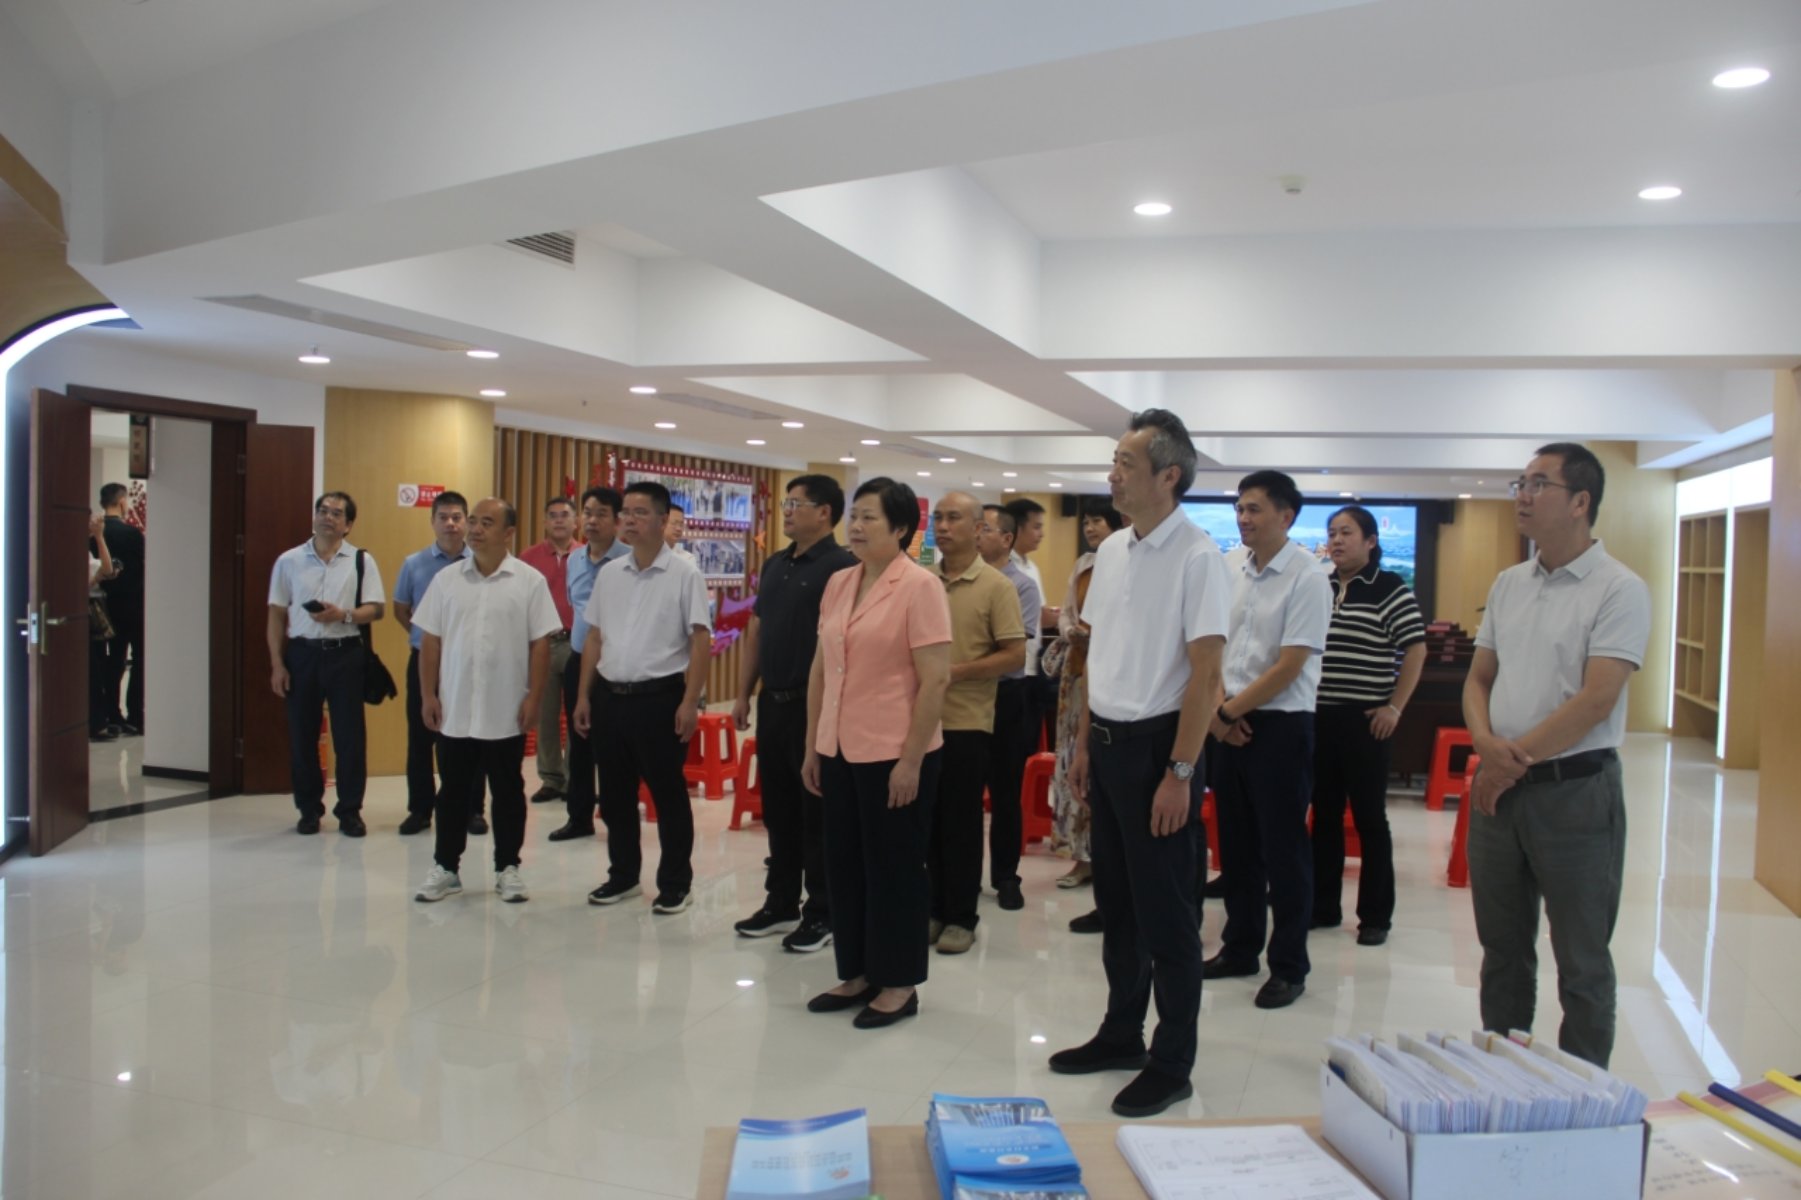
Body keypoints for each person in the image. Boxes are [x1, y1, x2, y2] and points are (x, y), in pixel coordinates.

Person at [1048, 409, 1229, 1120]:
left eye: (1125, 463)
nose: (1112, 474)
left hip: (1161, 750)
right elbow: (1102, 651)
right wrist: (1085, 743)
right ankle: (1120, 1031)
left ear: (1168, 475)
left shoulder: (1198, 557)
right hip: (1109, 742)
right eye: (1114, 462)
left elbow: (1206, 676)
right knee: (1118, 907)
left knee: (1168, 916)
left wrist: (1180, 773)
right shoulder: (1115, 551)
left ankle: (1172, 1060)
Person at [1464, 443, 1649, 1069]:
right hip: (1500, 792)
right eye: (1521, 482)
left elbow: (1597, 699)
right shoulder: (1509, 583)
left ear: (1579, 502)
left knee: (1583, 960)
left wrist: (1505, 763)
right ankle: (1505, 1077)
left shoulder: (1619, 588)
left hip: (1576, 793)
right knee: (1503, 952)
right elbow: (1479, 679)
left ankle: (1581, 1093)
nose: (1522, 494)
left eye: (1538, 484)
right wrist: (1485, 746)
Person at [802, 477, 951, 1028]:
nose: (857, 527)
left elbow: (935, 680)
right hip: (839, 746)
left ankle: (899, 982)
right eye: (855, 516)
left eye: (870, 518)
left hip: (895, 752)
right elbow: (823, 668)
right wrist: (814, 745)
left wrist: (911, 761)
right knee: (843, 864)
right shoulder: (840, 582)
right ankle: (859, 971)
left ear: (902, 528)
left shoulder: (920, 587)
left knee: (894, 868)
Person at [1205, 470, 1332, 1011]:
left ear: (1286, 516)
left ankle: (1289, 966)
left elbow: (1291, 663)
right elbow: (1211, 645)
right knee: (1235, 847)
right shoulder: (1229, 566)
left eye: (1254, 509)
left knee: (1284, 851)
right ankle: (1240, 948)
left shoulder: (1308, 576)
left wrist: (1227, 712)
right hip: (1226, 719)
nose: (1244, 518)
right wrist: (1218, 714)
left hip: (1280, 725)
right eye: (1240, 508)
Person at [411, 498, 562, 904]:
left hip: (505, 706)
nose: (475, 530)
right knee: (452, 791)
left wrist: (534, 697)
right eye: (473, 522)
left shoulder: (529, 581)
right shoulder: (446, 580)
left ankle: (507, 867)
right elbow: (430, 640)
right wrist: (428, 694)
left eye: (486, 523)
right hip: (456, 706)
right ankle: (446, 867)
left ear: (508, 532)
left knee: (508, 790)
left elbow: (540, 644)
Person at [574, 481, 713, 914]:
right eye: (626, 514)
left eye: (639, 513)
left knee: (668, 796)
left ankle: (676, 882)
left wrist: (690, 702)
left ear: (662, 518)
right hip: (610, 698)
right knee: (615, 796)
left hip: (660, 699)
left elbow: (700, 639)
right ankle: (623, 875)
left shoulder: (684, 573)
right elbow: (594, 637)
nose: (628, 521)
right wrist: (584, 696)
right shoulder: (610, 574)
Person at [732, 475, 857, 950]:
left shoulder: (842, 567)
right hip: (774, 701)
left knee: (815, 810)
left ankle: (822, 911)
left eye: (795, 503)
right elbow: (757, 630)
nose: (786, 510)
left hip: (816, 704)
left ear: (824, 512)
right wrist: (743, 693)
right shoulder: (776, 564)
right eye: (785, 502)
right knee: (779, 808)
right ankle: (780, 901)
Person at [1310, 505, 1426, 945]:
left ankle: (1375, 917)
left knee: (1369, 818)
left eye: (1347, 533)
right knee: (1323, 815)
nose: (1336, 541)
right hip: (1319, 719)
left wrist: (1394, 707)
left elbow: (1415, 649)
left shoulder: (1388, 587)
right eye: (1332, 533)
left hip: (1365, 722)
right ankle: (1322, 906)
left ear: (1371, 541)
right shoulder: (1320, 586)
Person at [928, 491, 1026, 954]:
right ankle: (933, 908)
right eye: (938, 518)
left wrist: (957, 672)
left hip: (967, 721)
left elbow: (1015, 655)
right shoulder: (922, 581)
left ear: (978, 529)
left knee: (960, 822)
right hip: (919, 721)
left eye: (953, 518)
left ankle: (961, 917)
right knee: (926, 821)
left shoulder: (996, 586)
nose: (943, 527)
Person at [266, 492, 385, 836]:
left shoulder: (361, 561)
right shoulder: (289, 560)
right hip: (302, 655)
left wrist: (342, 615)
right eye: (323, 510)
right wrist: (277, 664)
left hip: (345, 654)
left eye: (336, 513)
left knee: (350, 738)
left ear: (348, 525)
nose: (328, 517)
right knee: (302, 735)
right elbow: (276, 613)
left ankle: (350, 811)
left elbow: (376, 609)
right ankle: (308, 809)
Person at [1049, 499, 1126, 932]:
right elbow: (1066, 613)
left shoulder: (1125, 563)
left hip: (1112, 679)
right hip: (1079, 672)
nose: (1090, 528)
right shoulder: (1083, 564)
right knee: (1072, 766)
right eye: (1087, 522)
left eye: (1098, 521)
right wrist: (1071, 631)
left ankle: (1105, 862)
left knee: (1102, 770)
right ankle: (1080, 856)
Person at [391, 491, 479, 837]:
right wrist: (426, 640)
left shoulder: (480, 562)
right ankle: (420, 809)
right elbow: (401, 609)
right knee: (421, 737)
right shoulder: (414, 564)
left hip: (465, 662)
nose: (450, 524)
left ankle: (471, 809)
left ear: (466, 522)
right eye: (443, 517)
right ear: (433, 522)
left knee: (469, 737)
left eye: (457, 517)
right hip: (424, 661)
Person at [548, 486, 631, 841]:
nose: (592, 520)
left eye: (601, 514)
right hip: (579, 658)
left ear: (617, 520)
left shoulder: (629, 561)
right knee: (578, 741)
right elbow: (576, 606)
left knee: (611, 743)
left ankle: (616, 816)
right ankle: (579, 817)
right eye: (588, 512)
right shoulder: (575, 560)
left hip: (614, 664)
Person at [978, 504, 1041, 912]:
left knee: (1004, 792)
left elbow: (1012, 651)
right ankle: (959, 875)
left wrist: (965, 661)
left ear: (1006, 539)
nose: (976, 535)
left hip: (1006, 696)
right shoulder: (952, 582)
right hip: (962, 698)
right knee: (960, 793)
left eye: (984, 529)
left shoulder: (1021, 586)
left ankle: (1005, 876)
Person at [519, 495, 580, 805]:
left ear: (575, 521)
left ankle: (574, 778)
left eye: (564, 515)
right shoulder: (528, 558)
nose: (558, 520)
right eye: (552, 515)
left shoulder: (586, 556)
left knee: (577, 714)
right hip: (543, 644)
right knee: (545, 715)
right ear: (544, 522)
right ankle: (551, 779)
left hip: (577, 644)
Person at [96, 483, 146, 735]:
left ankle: (111, 714)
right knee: (139, 660)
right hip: (134, 604)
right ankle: (135, 715)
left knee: (113, 660)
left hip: (106, 606)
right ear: (122, 501)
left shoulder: (94, 535)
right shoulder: (132, 535)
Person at [1005, 497, 1054, 748]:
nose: (1041, 534)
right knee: (1012, 744)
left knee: (1029, 741)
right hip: (1012, 671)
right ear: (1017, 528)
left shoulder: (1031, 567)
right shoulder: (1004, 566)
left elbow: (1039, 615)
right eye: (1036, 527)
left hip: (1033, 667)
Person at [87, 514, 121, 742]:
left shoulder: (86, 550)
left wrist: (99, 537)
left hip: (90, 617)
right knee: (93, 672)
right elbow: (105, 571)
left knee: (97, 670)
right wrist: (99, 536)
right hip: (84, 617)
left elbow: (106, 570)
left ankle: (99, 721)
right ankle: (96, 723)